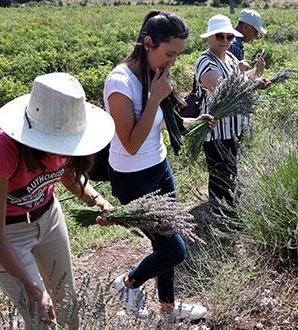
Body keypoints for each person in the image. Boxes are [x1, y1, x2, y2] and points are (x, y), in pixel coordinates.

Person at [0, 72, 115, 329]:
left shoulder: (65, 134)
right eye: (58, 143)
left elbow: (67, 175)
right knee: (41, 318)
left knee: (67, 304)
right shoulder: (0, 148)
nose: (65, 150)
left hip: (48, 218)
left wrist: (97, 199)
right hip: (8, 233)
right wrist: (31, 287)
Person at [103, 10, 214, 321]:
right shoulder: (120, 82)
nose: (173, 62)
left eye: (177, 55)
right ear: (148, 43)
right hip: (132, 179)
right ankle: (127, 283)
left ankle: (168, 310)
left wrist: (193, 122)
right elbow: (130, 143)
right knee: (173, 250)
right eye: (169, 53)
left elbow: (161, 122)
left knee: (165, 246)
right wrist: (154, 98)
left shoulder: (155, 75)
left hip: (159, 168)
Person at [195, 14, 267, 217]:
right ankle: (220, 216)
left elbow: (241, 79)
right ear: (210, 37)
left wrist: (255, 72)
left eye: (229, 37)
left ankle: (230, 211)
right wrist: (243, 76)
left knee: (230, 171)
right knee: (220, 174)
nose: (225, 41)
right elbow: (223, 92)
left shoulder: (230, 57)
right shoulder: (206, 62)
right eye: (220, 37)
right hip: (216, 129)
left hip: (233, 128)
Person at [228, 9, 270, 89]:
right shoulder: (234, 46)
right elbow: (233, 84)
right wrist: (254, 84)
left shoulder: (235, 43)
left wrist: (256, 70)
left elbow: (239, 77)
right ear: (245, 27)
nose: (256, 35)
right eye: (255, 31)